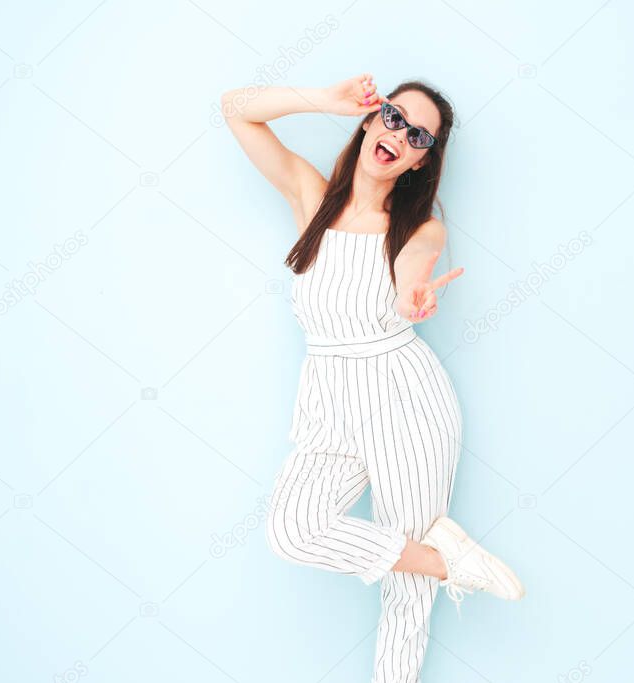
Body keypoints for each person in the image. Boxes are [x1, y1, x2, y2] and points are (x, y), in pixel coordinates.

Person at [221, 74, 525, 683]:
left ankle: (429, 579)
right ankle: (449, 562)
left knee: (405, 596)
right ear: (369, 120)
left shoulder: (418, 229)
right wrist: (323, 100)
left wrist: (412, 297)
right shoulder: (312, 198)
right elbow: (235, 111)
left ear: (419, 162)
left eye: (419, 137)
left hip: (404, 397)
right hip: (330, 397)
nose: (401, 135)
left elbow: (415, 271)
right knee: (294, 530)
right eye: (394, 117)